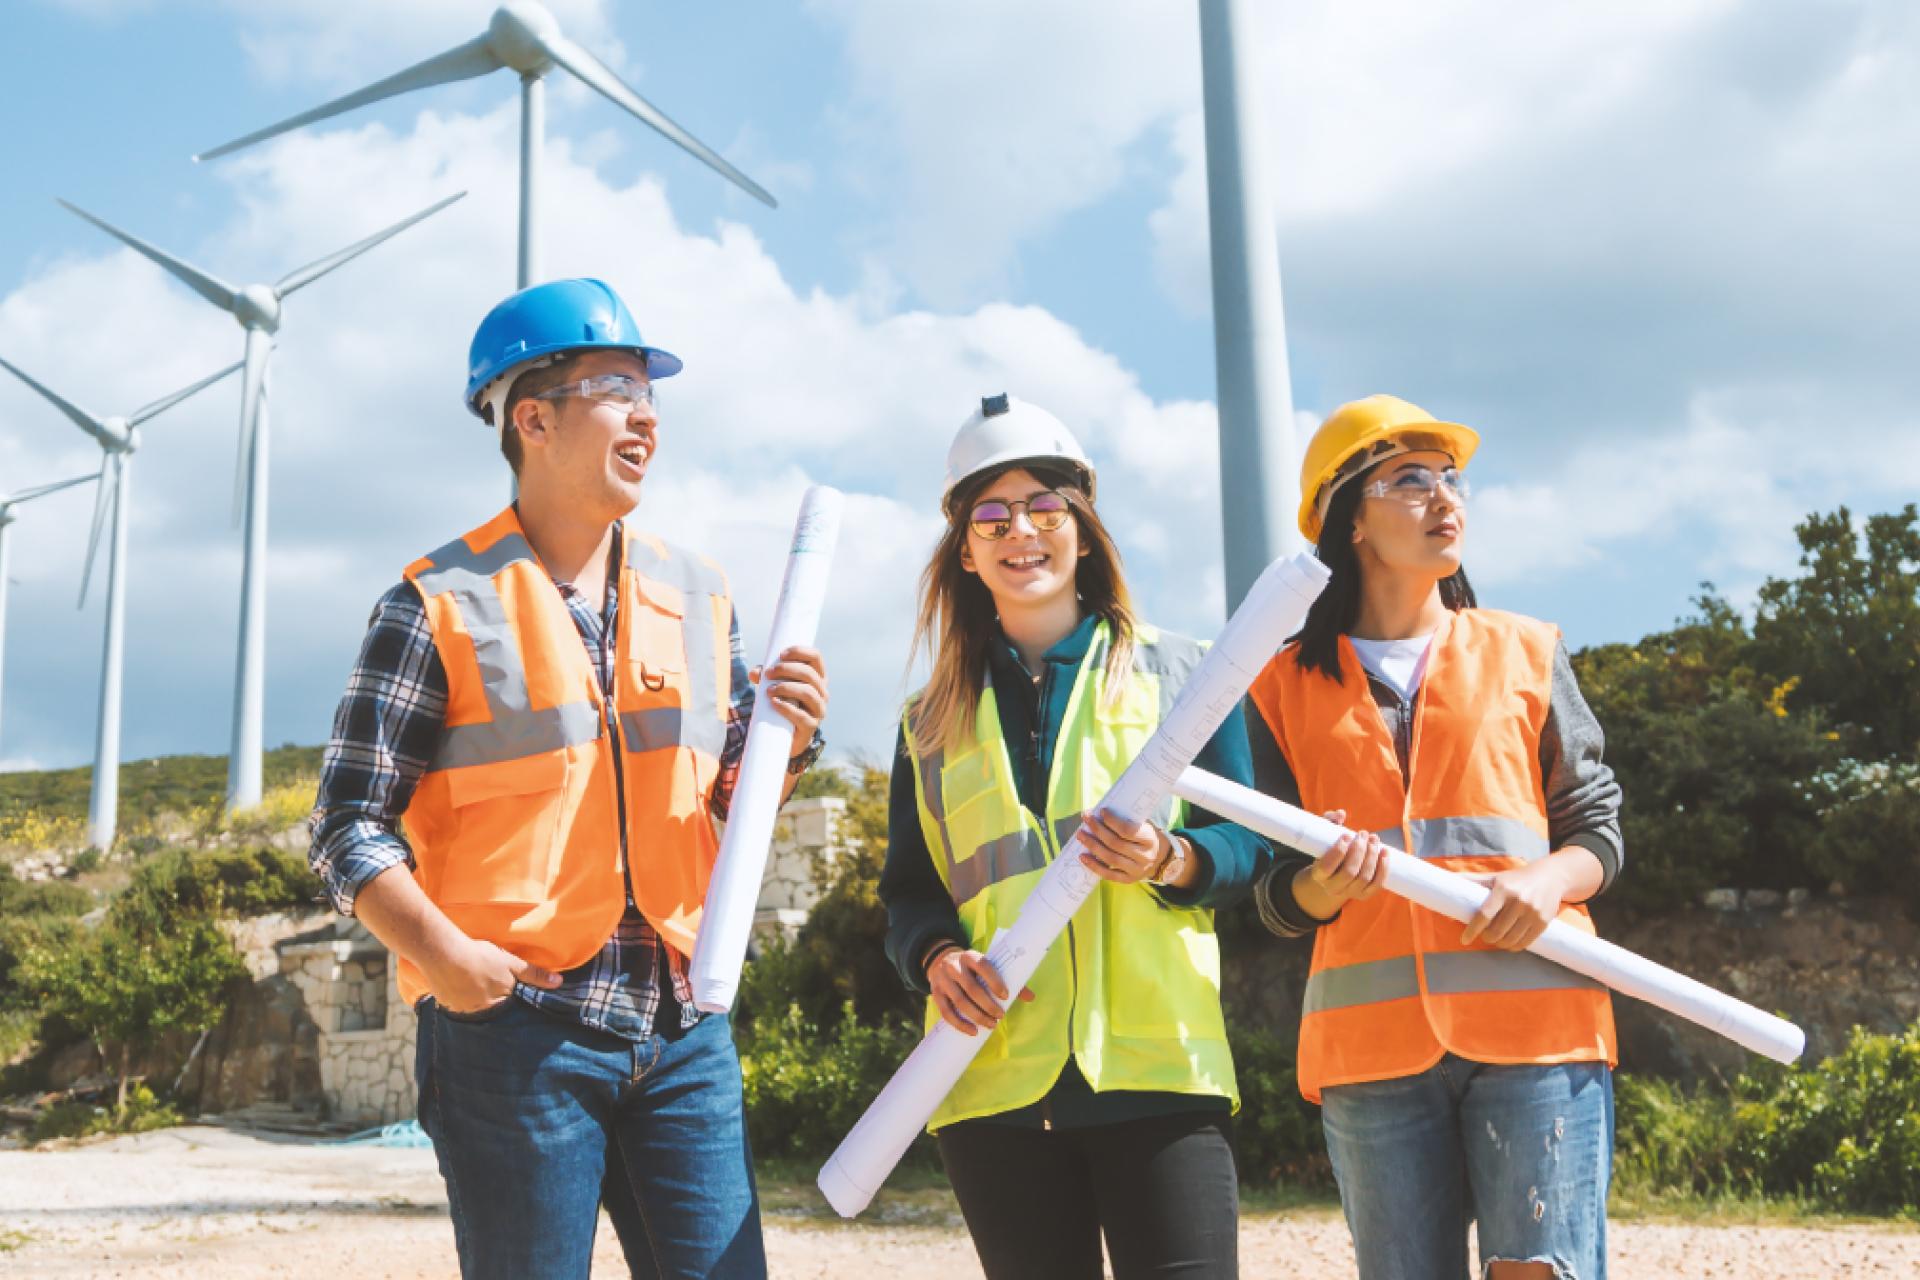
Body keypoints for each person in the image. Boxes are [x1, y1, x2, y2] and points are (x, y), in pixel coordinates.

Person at [308, 278, 828, 1280]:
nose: (647, 415)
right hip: (517, 1032)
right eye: (617, 386)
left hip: (682, 1028)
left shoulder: (699, 590)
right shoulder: (434, 602)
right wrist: (446, 954)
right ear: (533, 417)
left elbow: (714, 804)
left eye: (652, 393)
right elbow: (348, 820)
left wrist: (784, 742)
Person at [879, 393, 1271, 1280]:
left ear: (1083, 532)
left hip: (1156, 1070)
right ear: (968, 554)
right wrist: (936, 958)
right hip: (994, 1087)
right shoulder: (927, 722)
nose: (1022, 530)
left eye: (1045, 507)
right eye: (991, 515)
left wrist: (1174, 858)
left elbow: (1254, 846)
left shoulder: (1187, 675)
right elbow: (909, 894)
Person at [1246, 395, 1624, 1280]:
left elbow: (1595, 827)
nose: (1443, 495)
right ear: (1349, 521)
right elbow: (1264, 889)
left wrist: (1547, 881)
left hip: (1539, 1028)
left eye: (1450, 476)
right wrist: (1318, 889)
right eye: (1407, 479)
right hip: (1371, 1050)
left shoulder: (1526, 651)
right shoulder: (1277, 688)